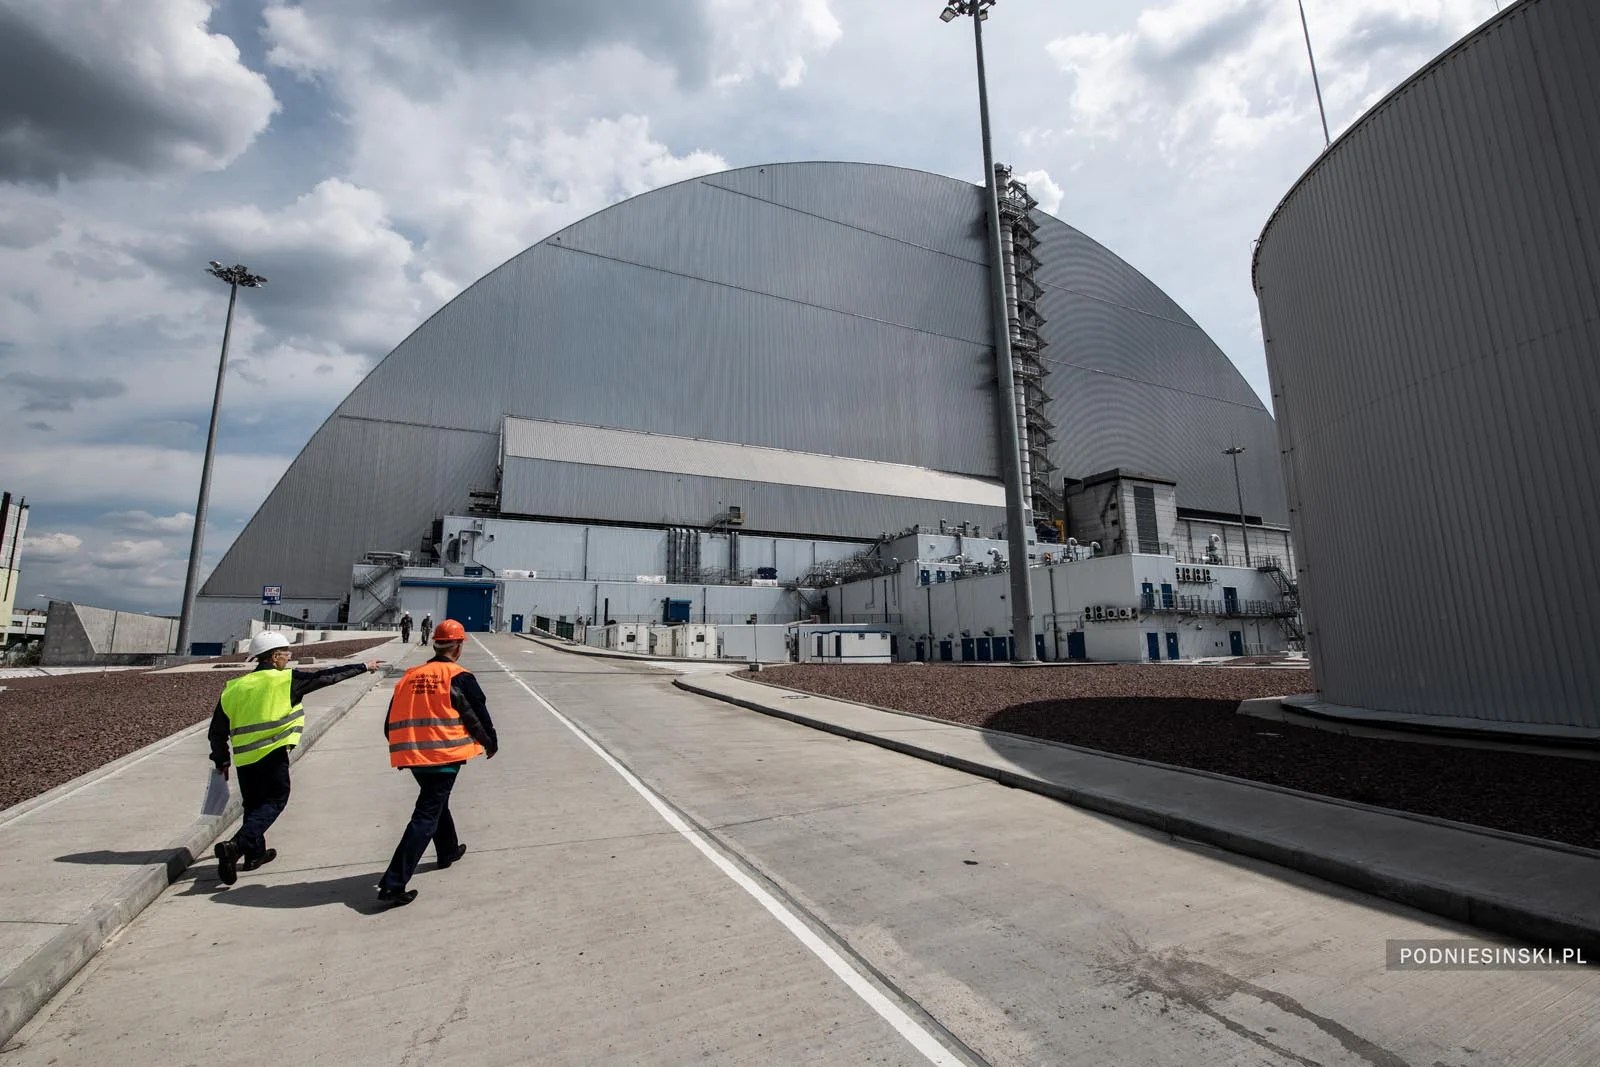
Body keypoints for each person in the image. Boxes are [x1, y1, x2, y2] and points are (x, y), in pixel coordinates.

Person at [209, 631, 381, 885]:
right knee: (276, 800)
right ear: (275, 656)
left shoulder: (234, 688)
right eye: (286, 654)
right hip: (272, 752)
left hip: (245, 759)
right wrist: (363, 666)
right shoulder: (285, 680)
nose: (288, 658)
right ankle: (237, 846)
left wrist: (222, 761)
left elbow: (217, 732)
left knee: (254, 805)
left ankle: (255, 855)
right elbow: (327, 677)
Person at [377, 619, 497, 906]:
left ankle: (448, 850)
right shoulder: (458, 676)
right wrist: (490, 742)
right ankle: (394, 883)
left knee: (435, 802)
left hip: (413, 755)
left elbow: (390, 721)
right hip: (443, 755)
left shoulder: (410, 675)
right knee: (426, 814)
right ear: (457, 646)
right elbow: (475, 713)